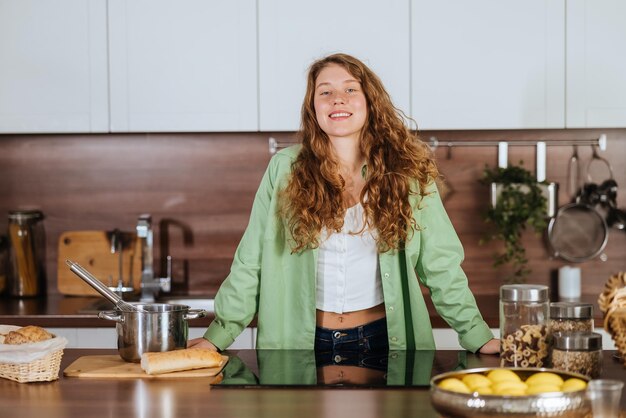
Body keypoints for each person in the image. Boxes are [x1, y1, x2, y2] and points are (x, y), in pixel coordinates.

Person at [189, 53, 500, 355]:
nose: (337, 98)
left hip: (386, 342)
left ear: (370, 101)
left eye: (350, 89)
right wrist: (218, 335)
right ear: (313, 108)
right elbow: (251, 260)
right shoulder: (284, 169)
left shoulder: (407, 172)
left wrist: (477, 334)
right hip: (298, 344)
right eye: (325, 92)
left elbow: (440, 264)